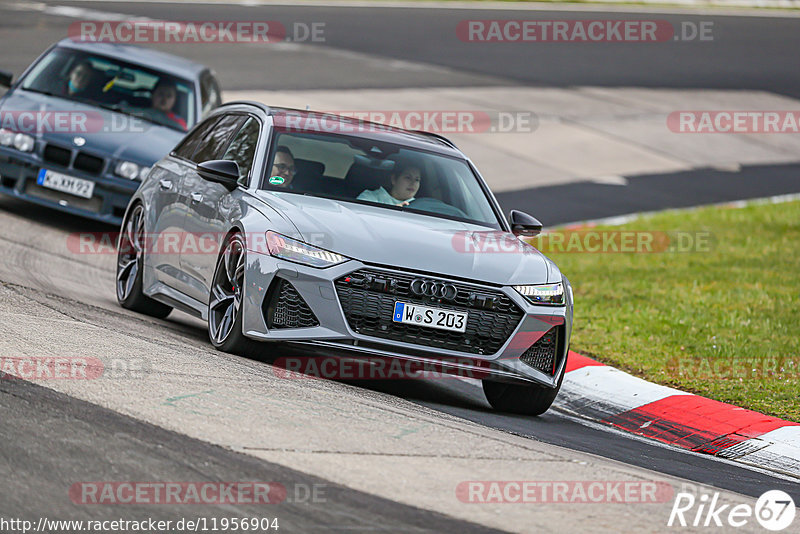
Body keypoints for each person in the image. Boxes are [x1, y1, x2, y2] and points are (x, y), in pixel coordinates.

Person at [357, 163, 421, 206]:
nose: (413, 183)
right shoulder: (369, 197)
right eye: (408, 178)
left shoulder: (420, 206)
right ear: (394, 179)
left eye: (417, 180)